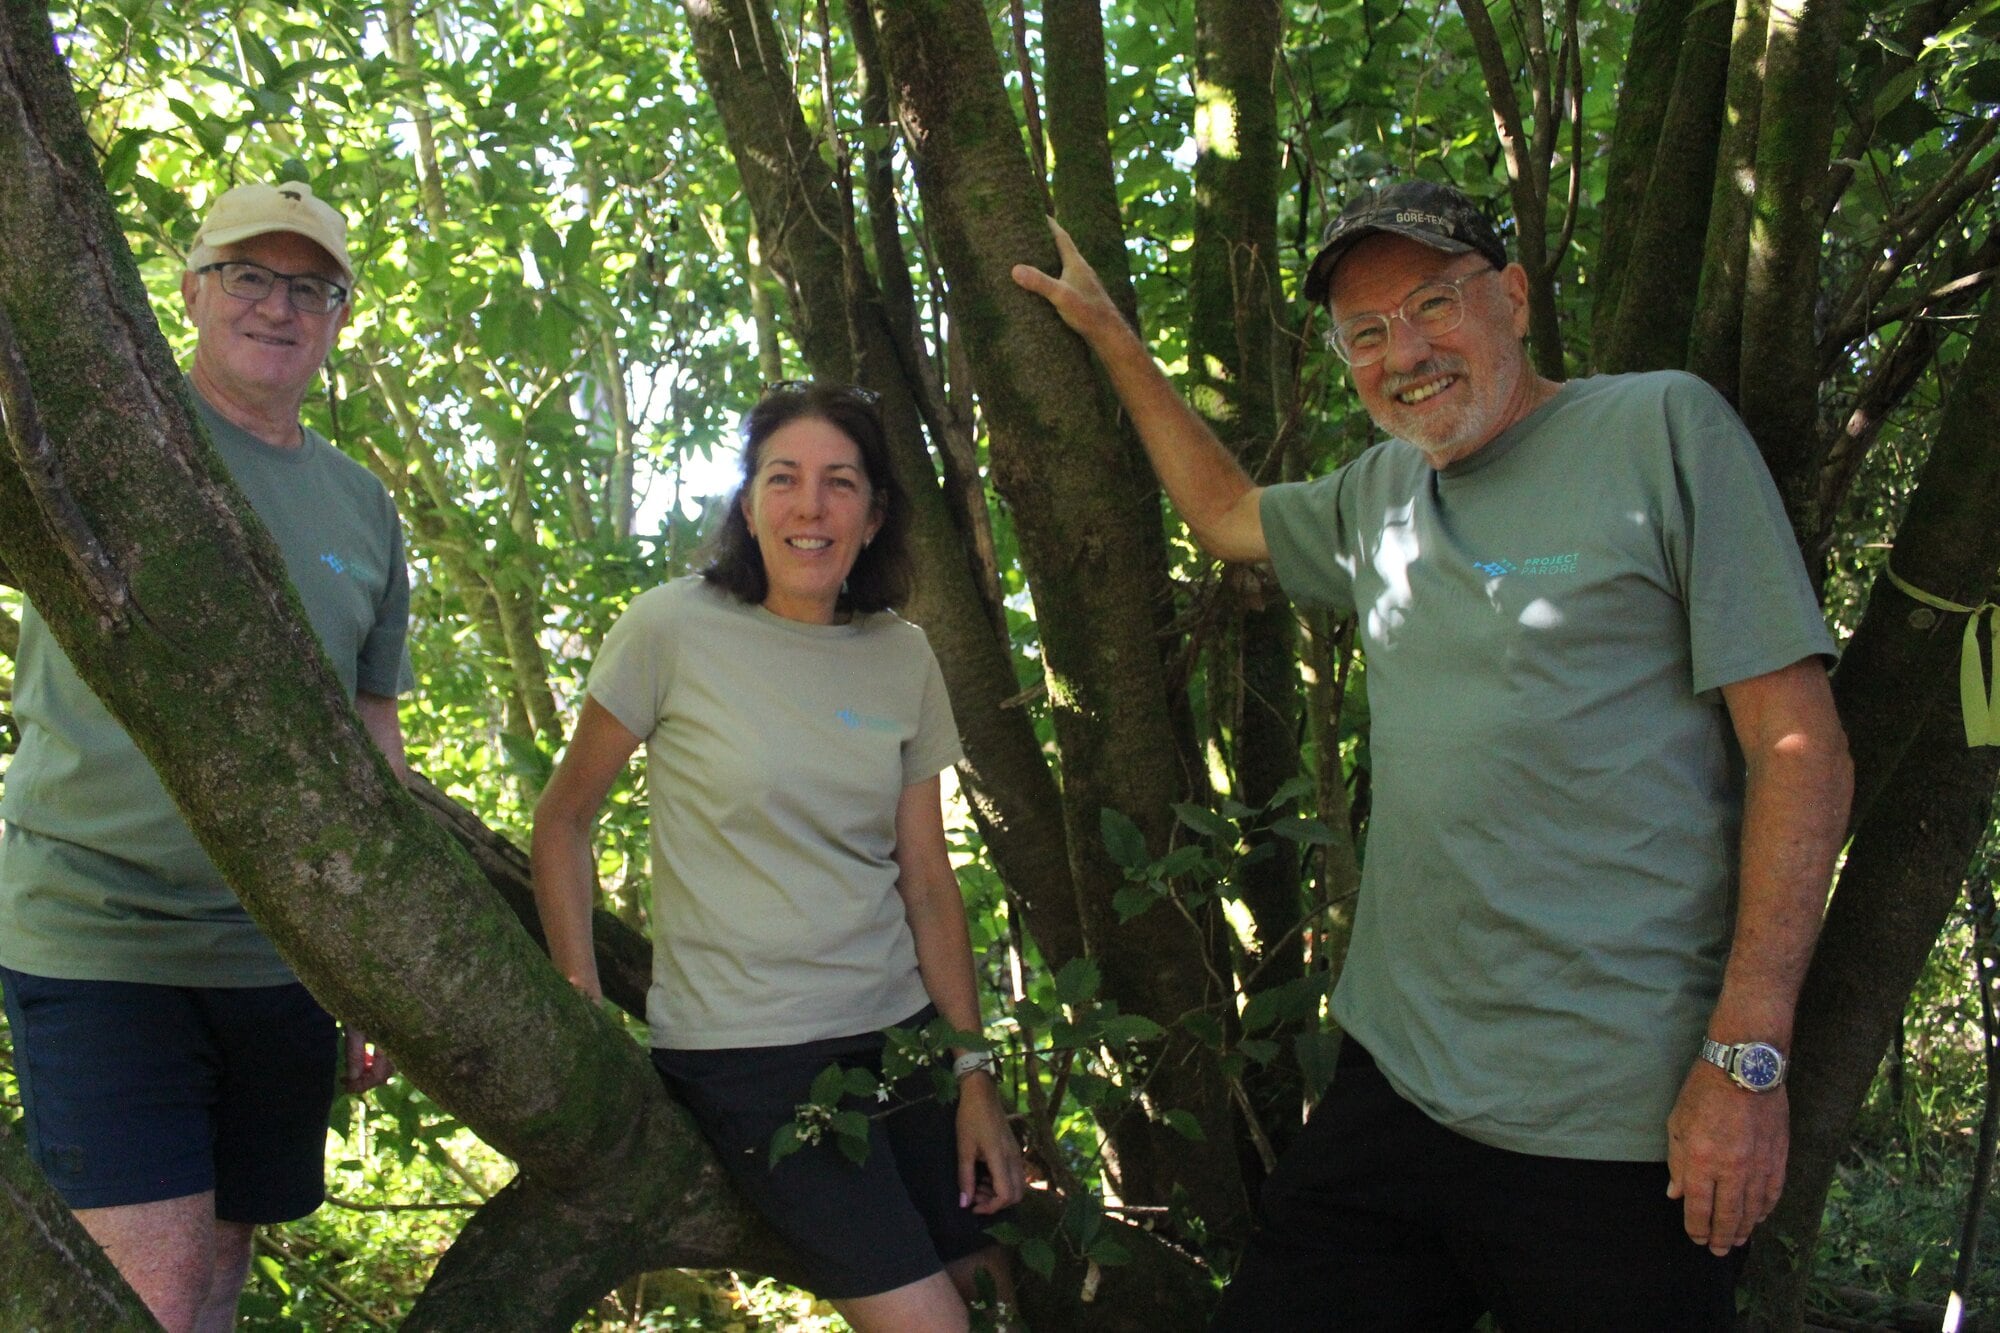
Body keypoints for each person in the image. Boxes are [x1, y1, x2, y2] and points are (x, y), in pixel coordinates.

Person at [1012, 180, 1853, 1329]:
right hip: (1395, 1091)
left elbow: (1798, 748)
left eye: (1431, 305)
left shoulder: (1658, 429)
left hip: (1615, 1123)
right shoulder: (1381, 493)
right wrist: (1112, 339)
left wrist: (1745, 1061)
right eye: (1366, 333)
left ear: (1508, 297)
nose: (1403, 351)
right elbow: (1224, 517)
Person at [0, 180, 411, 1332]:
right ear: (188, 291)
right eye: (250, 276)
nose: (279, 308)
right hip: (96, 931)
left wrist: (373, 955)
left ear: (336, 317)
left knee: (225, 1254)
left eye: (311, 288)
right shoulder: (99, 445)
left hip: (276, 954)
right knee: (158, 1296)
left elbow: (373, 733)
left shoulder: (364, 509)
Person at [531, 381, 1025, 1332]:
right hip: (748, 1057)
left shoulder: (902, 655)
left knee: (998, 1286)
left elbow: (927, 881)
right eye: (783, 479)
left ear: (875, 516)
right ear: (748, 503)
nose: (810, 506)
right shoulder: (670, 629)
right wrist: (579, 997)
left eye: (840, 483)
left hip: (902, 1037)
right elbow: (564, 819)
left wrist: (972, 1075)